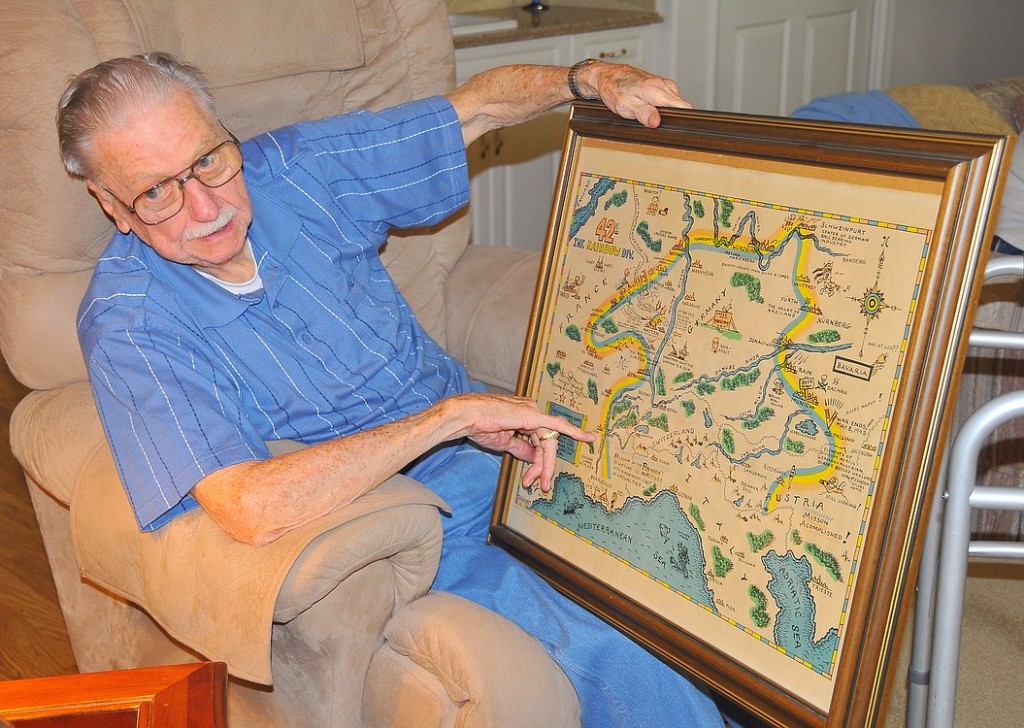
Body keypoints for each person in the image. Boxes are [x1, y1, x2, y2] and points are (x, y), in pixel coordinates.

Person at [59, 53, 726, 726]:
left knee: (710, 540)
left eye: (208, 160)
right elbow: (247, 504)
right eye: (157, 193)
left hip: (506, 457)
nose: (206, 206)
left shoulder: (293, 170)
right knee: (619, 651)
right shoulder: (131, 324)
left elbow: (474, 108)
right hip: (413, 520)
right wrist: (446, 420)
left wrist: (587, 81)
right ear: (111, 204)